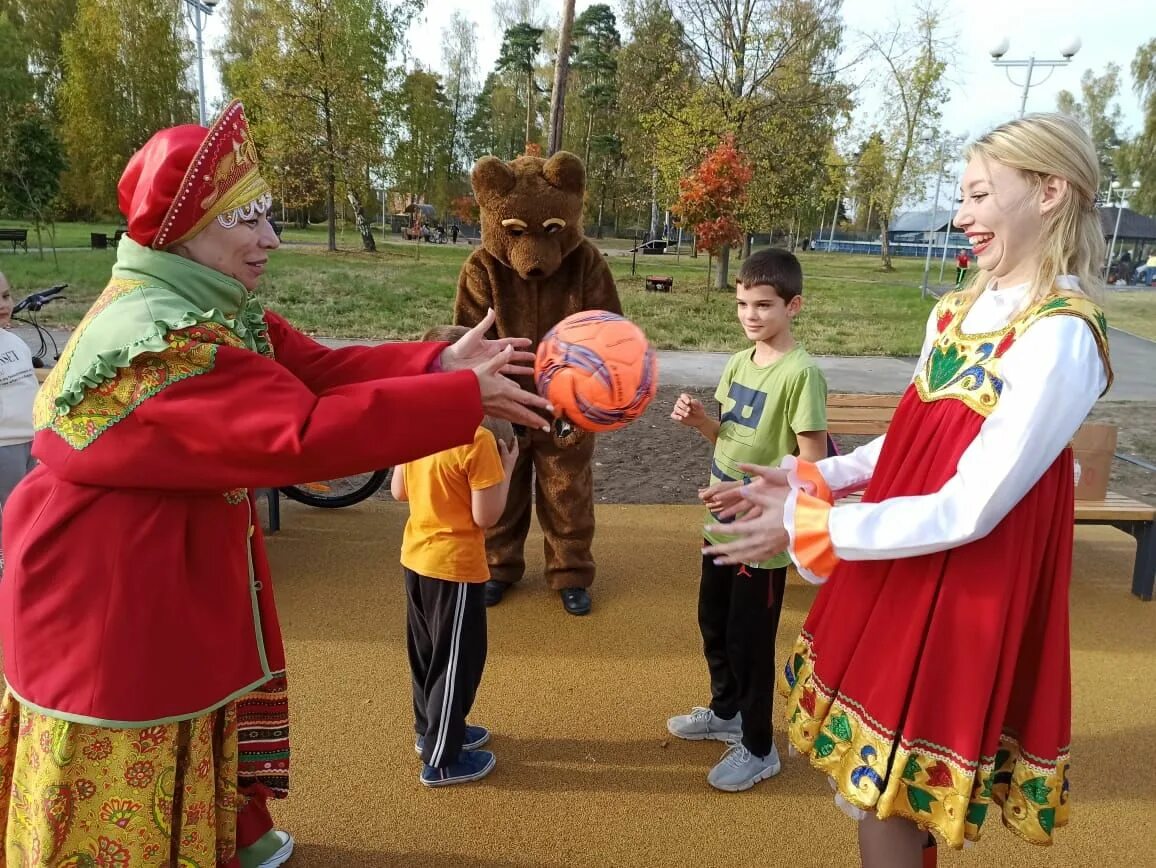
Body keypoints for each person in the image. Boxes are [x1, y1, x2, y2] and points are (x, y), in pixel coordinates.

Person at [0, 100, 553, 867]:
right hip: (114, 584)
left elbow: (318, 368)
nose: (269, 237)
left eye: (267, 215)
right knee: (138, 720)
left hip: (160, 558)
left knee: (206, 690)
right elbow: (299, 433)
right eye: (245, 219)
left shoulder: (203, 305)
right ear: (185, 229)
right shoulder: (162, 344)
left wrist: (439, 365)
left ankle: (226, 833)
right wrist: (462, 400)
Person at [701, 113, 1112, 865]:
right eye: (963, 195)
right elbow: (915, 436)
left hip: (964, 584)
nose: (962, 215)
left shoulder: (1062, 333)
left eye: (981, 193)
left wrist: (809, 524)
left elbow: (972, 506)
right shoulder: (954, 310)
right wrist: (819, 474)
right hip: (908, 554)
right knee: (878, 788)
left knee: (889, 794)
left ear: (1051, 192)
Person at [666, 248, 828, 792]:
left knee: (749, 642)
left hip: (761, 535)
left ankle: (760, 748)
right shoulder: (739, 362)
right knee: (713, 624)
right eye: (742, 303)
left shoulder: (802, 373)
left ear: (793, 305)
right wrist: (701, 423)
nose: (750, 315)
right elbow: (729, 439)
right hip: (721, 524)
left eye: (763, 305)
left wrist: (749, 492)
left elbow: (812, 468)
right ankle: (727, 710)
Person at [391, 326, 517, 787]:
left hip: (416, 558)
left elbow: (399, 490)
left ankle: (433, 733)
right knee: (457, 660)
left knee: (426, 654)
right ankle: (443, 758)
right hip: (456, 566)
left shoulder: (417, 426)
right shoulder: (478, 440)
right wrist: (507, 471)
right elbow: (486, 517)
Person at [0, 272, 38, 556]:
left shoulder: (14, 342)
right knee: (12, 509)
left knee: (32, 507)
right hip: (4, 444)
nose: (3, 304)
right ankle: (10, 560)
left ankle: (24, 556)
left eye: (5, 296)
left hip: (33, 440)